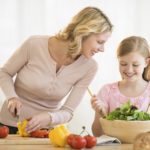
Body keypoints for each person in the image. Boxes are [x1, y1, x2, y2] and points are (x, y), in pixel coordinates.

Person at [0, 6, 113, 134]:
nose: (102, 49)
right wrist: (12, 97)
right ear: (84, 33)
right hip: (8, 127)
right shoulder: (34, 44)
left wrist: (49, 117)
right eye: (99, 42)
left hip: (46, 132)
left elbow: (68, 112)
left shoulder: (90, 67)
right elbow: (4, 73)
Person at [91, 36, 150, 137]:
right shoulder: (107, 91)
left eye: (135, 65)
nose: (129, 70)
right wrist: (101, 114)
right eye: (123, 64)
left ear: (146, 62)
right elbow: (97, 134)